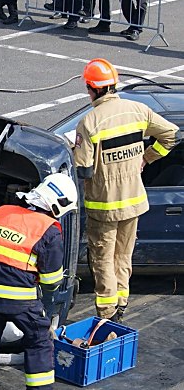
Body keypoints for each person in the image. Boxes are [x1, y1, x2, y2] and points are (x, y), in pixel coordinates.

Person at [74, 58, 179, 322]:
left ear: (93, 88)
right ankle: (121, 304)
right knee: (123, 256)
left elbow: (83, 169)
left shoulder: (89, 122)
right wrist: (147, 156)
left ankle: (107, 314)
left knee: (103, 260)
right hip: (134, 202)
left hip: (104, 207)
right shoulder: (138, 110)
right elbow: (171, 134)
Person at [0, 173, 79, 390]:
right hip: (19, 299)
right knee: (39, 342)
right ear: (59, 204)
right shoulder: (49, 229)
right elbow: (51, 280)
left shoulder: (2, 212)